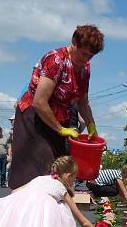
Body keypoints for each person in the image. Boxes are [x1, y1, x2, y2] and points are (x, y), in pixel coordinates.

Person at [9, 25, 104, 189]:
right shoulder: (56, 59)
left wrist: (91, 124)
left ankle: (51, 212)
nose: (86, 59)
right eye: (84, 53)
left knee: (58, 171)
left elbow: (82, 101)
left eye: (91, 55)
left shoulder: (84, 68)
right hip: (34, 119)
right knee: (39, 170)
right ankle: (22, 211)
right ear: (74, 42)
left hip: (58, 122)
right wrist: (60, 129)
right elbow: (39, 102)